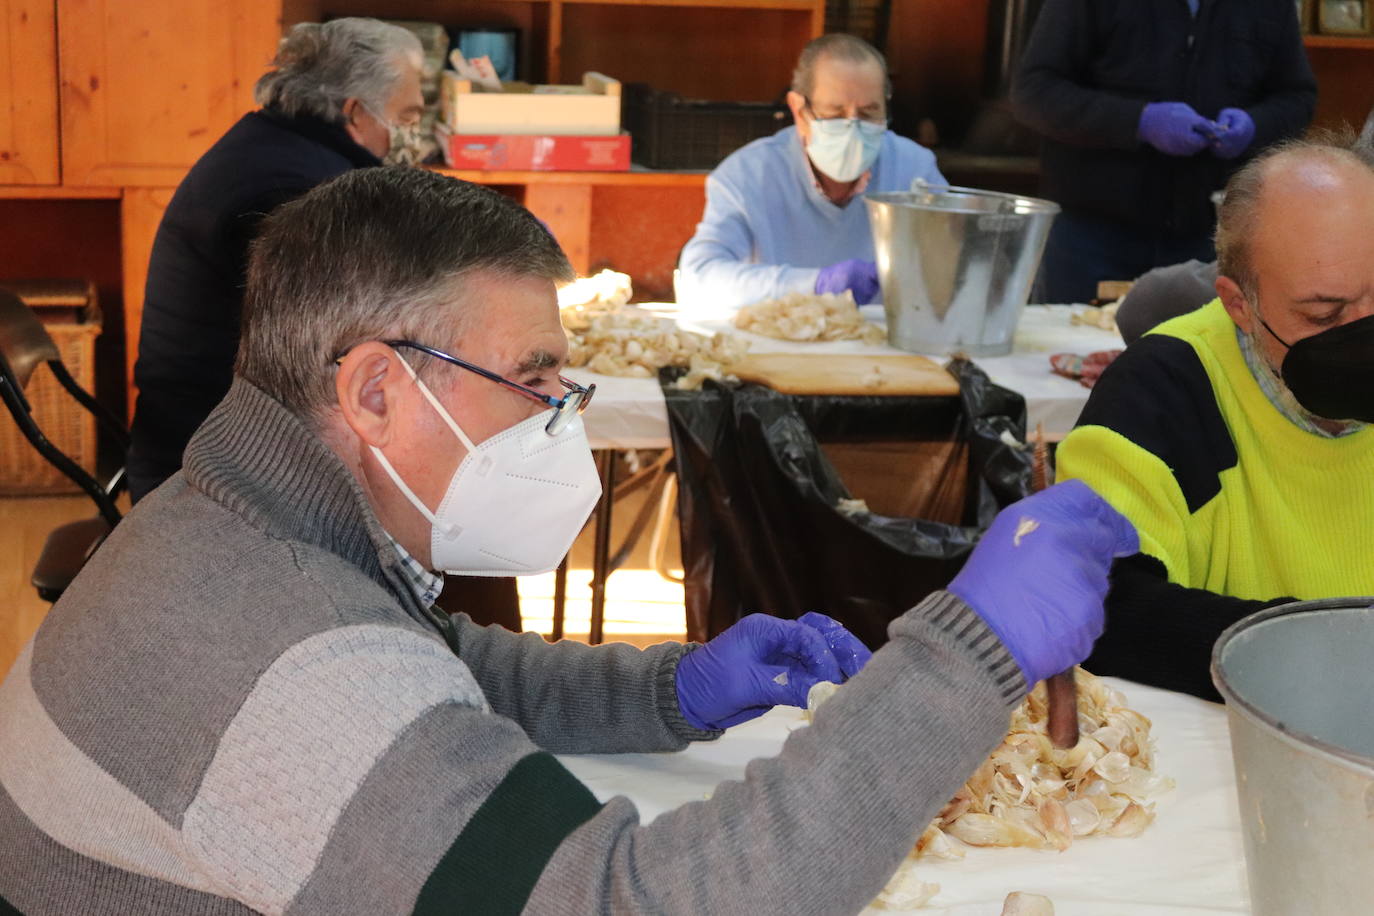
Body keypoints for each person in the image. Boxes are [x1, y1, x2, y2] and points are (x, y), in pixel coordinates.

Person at [0, 167, 1137, 914]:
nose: (563, 415)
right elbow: (637, 900)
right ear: (378, 390)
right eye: (533, 378)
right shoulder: (292, 666)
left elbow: (437, 663)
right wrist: (964, 653)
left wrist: (672, 691)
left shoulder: (238, 522)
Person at [1055, 136, 1374, 702]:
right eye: (1325, 315)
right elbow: (1097, 600)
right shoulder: (1165, 391)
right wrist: (1324, 650)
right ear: (1239, 305)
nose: (1362, 331)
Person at [127, 17, 425, 504]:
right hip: (211, 469)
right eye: (407, 118)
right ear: (355, 112)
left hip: (211, 435)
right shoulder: (291, 188)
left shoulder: (276, 147)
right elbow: (341, 336)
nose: (412, 134)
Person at [1010, 0, 1316, 305]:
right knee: (1072, 349)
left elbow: (1297, 98)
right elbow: (1034, 92)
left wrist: (1254, 126)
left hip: (1209, 238)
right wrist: (1140, 121)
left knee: (1193, 353)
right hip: (1089, 234)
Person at [676, 33, 946, 310]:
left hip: (878, 343)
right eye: (834, 114)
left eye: (868, 114)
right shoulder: (748, 175)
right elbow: (701, 276)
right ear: (798, 110)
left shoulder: (914, 170)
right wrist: (813, 285)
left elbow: (955, 266)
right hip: (779, 341)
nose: (853, 128)